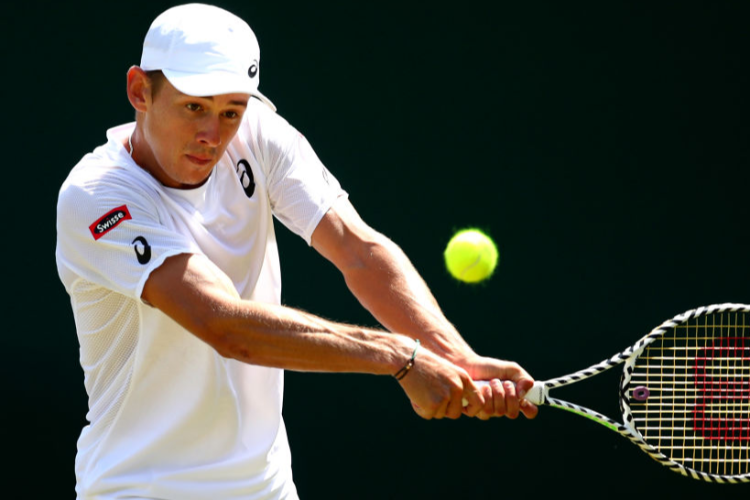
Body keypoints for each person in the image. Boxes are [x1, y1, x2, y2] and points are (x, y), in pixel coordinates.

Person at [55, 4, 538, 499]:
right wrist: (400, 357)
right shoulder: (96, 198)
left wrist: (455, 357)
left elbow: (358, 250)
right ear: (140, 91)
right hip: (139, 490)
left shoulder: (256, 133)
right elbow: (227, 326)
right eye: (193, 107)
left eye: (230, 112)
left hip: (266, 489)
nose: (212, 136)